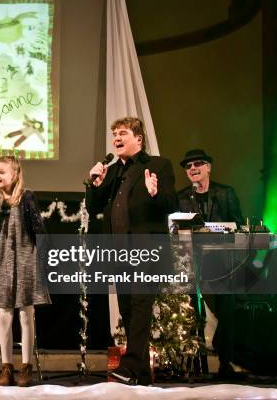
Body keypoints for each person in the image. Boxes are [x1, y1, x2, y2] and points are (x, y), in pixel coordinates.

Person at [86, 117, 177, 385]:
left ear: (138, 138)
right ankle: (138, 374)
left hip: (146, 250)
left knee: (140, 306)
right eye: (114, 133)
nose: (116, 137)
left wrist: (154, 193)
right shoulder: (112, 171)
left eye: (122, 133)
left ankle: (130, 366)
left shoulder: (158, 165)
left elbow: (171, 202)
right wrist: (94, 183)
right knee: (127, 308)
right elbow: (93, 208)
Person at [0, 156, 51, 387]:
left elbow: (39, 229)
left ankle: (26, 367)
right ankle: (6, 367)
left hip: (25, 258)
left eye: (2, 172)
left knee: (25, 312)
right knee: (4, 312)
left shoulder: (26, 197)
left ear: (14, 175)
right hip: (3, 258)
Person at [177, 149, 243, 380]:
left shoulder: (225, 193)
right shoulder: (182, 197)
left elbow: (238, 225)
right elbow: (176, 230)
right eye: (188, 166)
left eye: (198, 164)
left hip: (222, 261)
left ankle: (226, 361)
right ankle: (195, 362)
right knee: (193, 312)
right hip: (193, 262)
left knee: (227, 311)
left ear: (208, 167)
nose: (193, 168)